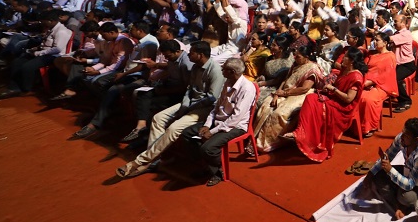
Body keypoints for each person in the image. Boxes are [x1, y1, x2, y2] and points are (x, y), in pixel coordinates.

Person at [116, 41, 224, 178]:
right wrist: (185, 105)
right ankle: (154, 160)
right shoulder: (196, 67)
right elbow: (190, 89)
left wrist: (189, 107)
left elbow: (212, 98)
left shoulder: (215, 70)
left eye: (191, 53)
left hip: (204, 109)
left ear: (200, 55)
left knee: (173, 129)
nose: (188, 54)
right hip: (190, 103)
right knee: (158, 118)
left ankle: (140, 161)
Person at [182, 57, 256, 186]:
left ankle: (217, 172)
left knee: (208, 148)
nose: (221, 70)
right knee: (187, 134)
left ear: (232, 72)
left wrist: (212, 131)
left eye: (224, 69)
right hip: (218, 121)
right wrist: (207, 125)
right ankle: (205, 165)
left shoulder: (247, 88)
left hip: (235, 126)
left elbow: (236, 118)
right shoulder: (228, 82)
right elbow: (216, 107)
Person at [290, 46, 366, 162]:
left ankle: (306, 136)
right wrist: (329, 89)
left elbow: (348, 99)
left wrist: (333, 89)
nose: (342, 59)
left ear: (352, 61)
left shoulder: (356, 77)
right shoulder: (345, 70)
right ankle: (303, 134)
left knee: (314, 103)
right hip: (334, 99)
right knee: (311, 98)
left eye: (345, 57)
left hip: (342, 108)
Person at [252, 43, 323, 153]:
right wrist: (276, 94)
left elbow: (304, 89)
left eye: (298, 56)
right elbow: (285, 80)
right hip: (286, 91)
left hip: (301, 94)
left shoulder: (312, 68)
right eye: (295, 55)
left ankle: (271, 142)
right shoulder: (296, 64)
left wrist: (284, 93)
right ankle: (256, 139)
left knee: (279, 113)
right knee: (266, 106)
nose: (295, 58)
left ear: (307, 57)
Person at [364, 117, 418, 219]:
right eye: (403, 132)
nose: (402, 136)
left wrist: (390, 170)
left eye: (406, 135)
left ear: (416, 140)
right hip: (409, 170)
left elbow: (409, 184)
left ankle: (402, 203)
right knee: (378, 175)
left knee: (405, 197)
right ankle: (398, 205)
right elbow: (389, 155)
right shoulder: (401, 139)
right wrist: (370, 174)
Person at [0, 10, 73, 99]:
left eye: (43, 21)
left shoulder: (62, 31)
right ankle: (14, 87)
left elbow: (57, 49)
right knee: (17, 62)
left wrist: (39, 53)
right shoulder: (51, 28)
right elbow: (47, 43)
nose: (42, 23)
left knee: (27, 66)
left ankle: (26, 89)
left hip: (54, 56)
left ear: (51, 20)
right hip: (43, 52)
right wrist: (37, 48)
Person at [359, 31, 397, 138]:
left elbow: (387, 75)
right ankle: (355, 125)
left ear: (385, 43)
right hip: (365, 81)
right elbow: (364, 68)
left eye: (377, 40)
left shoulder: (390, 56)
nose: (374, 42)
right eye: (374, 40)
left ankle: (369, 127)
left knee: (368, 100)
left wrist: (371, 82)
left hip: (382, 85)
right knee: (354, 95)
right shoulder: (371, 54)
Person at [390, 13, 415, 113]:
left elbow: (389, 39)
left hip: (407, 65)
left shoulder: (405, 34)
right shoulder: (397, 33)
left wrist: (376, 33)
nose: (394, 23)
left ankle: (405, 101)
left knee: (394, 78)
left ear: (403, 23)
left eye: (396, 21)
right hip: (398, 64)